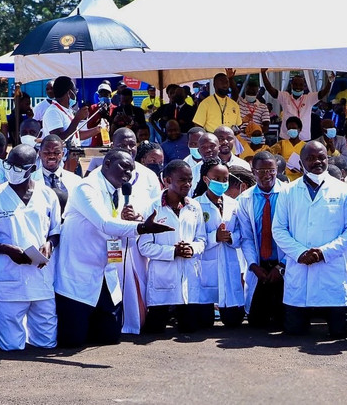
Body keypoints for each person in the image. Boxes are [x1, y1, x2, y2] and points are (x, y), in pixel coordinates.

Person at [53, 149, 172, 348]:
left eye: (131, 170)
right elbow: (104, 224)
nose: (128, 174)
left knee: (109, 338)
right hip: (78, 272)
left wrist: (134, 220)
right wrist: (141, 227)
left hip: (106, 272)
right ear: (106, 164)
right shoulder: (86, 188)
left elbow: (116, 227)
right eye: (123, 167)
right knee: (72, 341)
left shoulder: (118, 191)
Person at [0, 145, 61, 350]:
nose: (11, 170)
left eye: (18, 167)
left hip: (41, 277)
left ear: (32, 169)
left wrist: (49, 245)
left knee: (46, 342)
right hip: (10, 279)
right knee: (11, 346)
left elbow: (56, 231)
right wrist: (7, 249)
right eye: (9, 164)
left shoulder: (48, 195)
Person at [271, 141, 347, 339]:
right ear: (301, 163)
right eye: (310, 158)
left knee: (340, 333)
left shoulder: (344, 191)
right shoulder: (287, 191)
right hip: (300, 268)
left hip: (332, 269)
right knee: (294, 332)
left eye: (321, 157)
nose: (317, 162)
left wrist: (323, 253)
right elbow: (279, 229)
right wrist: (300, 253)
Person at [137, 160, 210, 334]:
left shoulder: (194, 207)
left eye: (190, 180)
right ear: (167, 181)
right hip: (163, 277)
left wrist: (191, 248)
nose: (187, 184)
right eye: (182, 180)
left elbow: (202, 239)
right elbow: (144, 247)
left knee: (189, 328)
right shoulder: (152, 208)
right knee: (155, 329)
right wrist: (173, 252)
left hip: (188, 274)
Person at [235, 151, 285, 329]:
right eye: (261, 170)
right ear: (253, 171)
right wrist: (254, 266)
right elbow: (247, 237)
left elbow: (294, 234)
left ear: (276, 169)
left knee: (286, 322)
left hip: (284, 264)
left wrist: (282, 266)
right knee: (256, 322)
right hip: (260, 265)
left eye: (271, 170)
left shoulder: (289, 195)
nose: (267, 175)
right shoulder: (244, 199)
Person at [194, 159, 246, 327]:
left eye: (225, 179)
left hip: (229, 259)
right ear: (205, 179)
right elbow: (193, 236)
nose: (222, 183)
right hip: (206, 262)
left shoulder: (233, 204)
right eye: (217, 178)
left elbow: (242, 233)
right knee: (204, 322)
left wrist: (231, 237)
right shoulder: (196, 205)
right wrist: (214, 237)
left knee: (234, 321)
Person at [260, 69, 331, 140]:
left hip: (304, 138)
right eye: (295, 84)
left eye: (301, 85)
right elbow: (270, 90)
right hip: (286, 137)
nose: (298, 87)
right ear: (291, 85)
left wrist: (330, 81)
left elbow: (323, 93)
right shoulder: (285, 97)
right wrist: (263, 74)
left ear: (304, 86)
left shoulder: (309, 98)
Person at [270, 117, 306, 182]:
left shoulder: (305, 146)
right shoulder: (281, 144)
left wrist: (300, 168)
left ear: (299, 129)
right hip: (285, 179)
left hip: (301, 178)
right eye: (289, 128)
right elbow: (272, 155)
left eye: (294, 128)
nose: (291, 130)